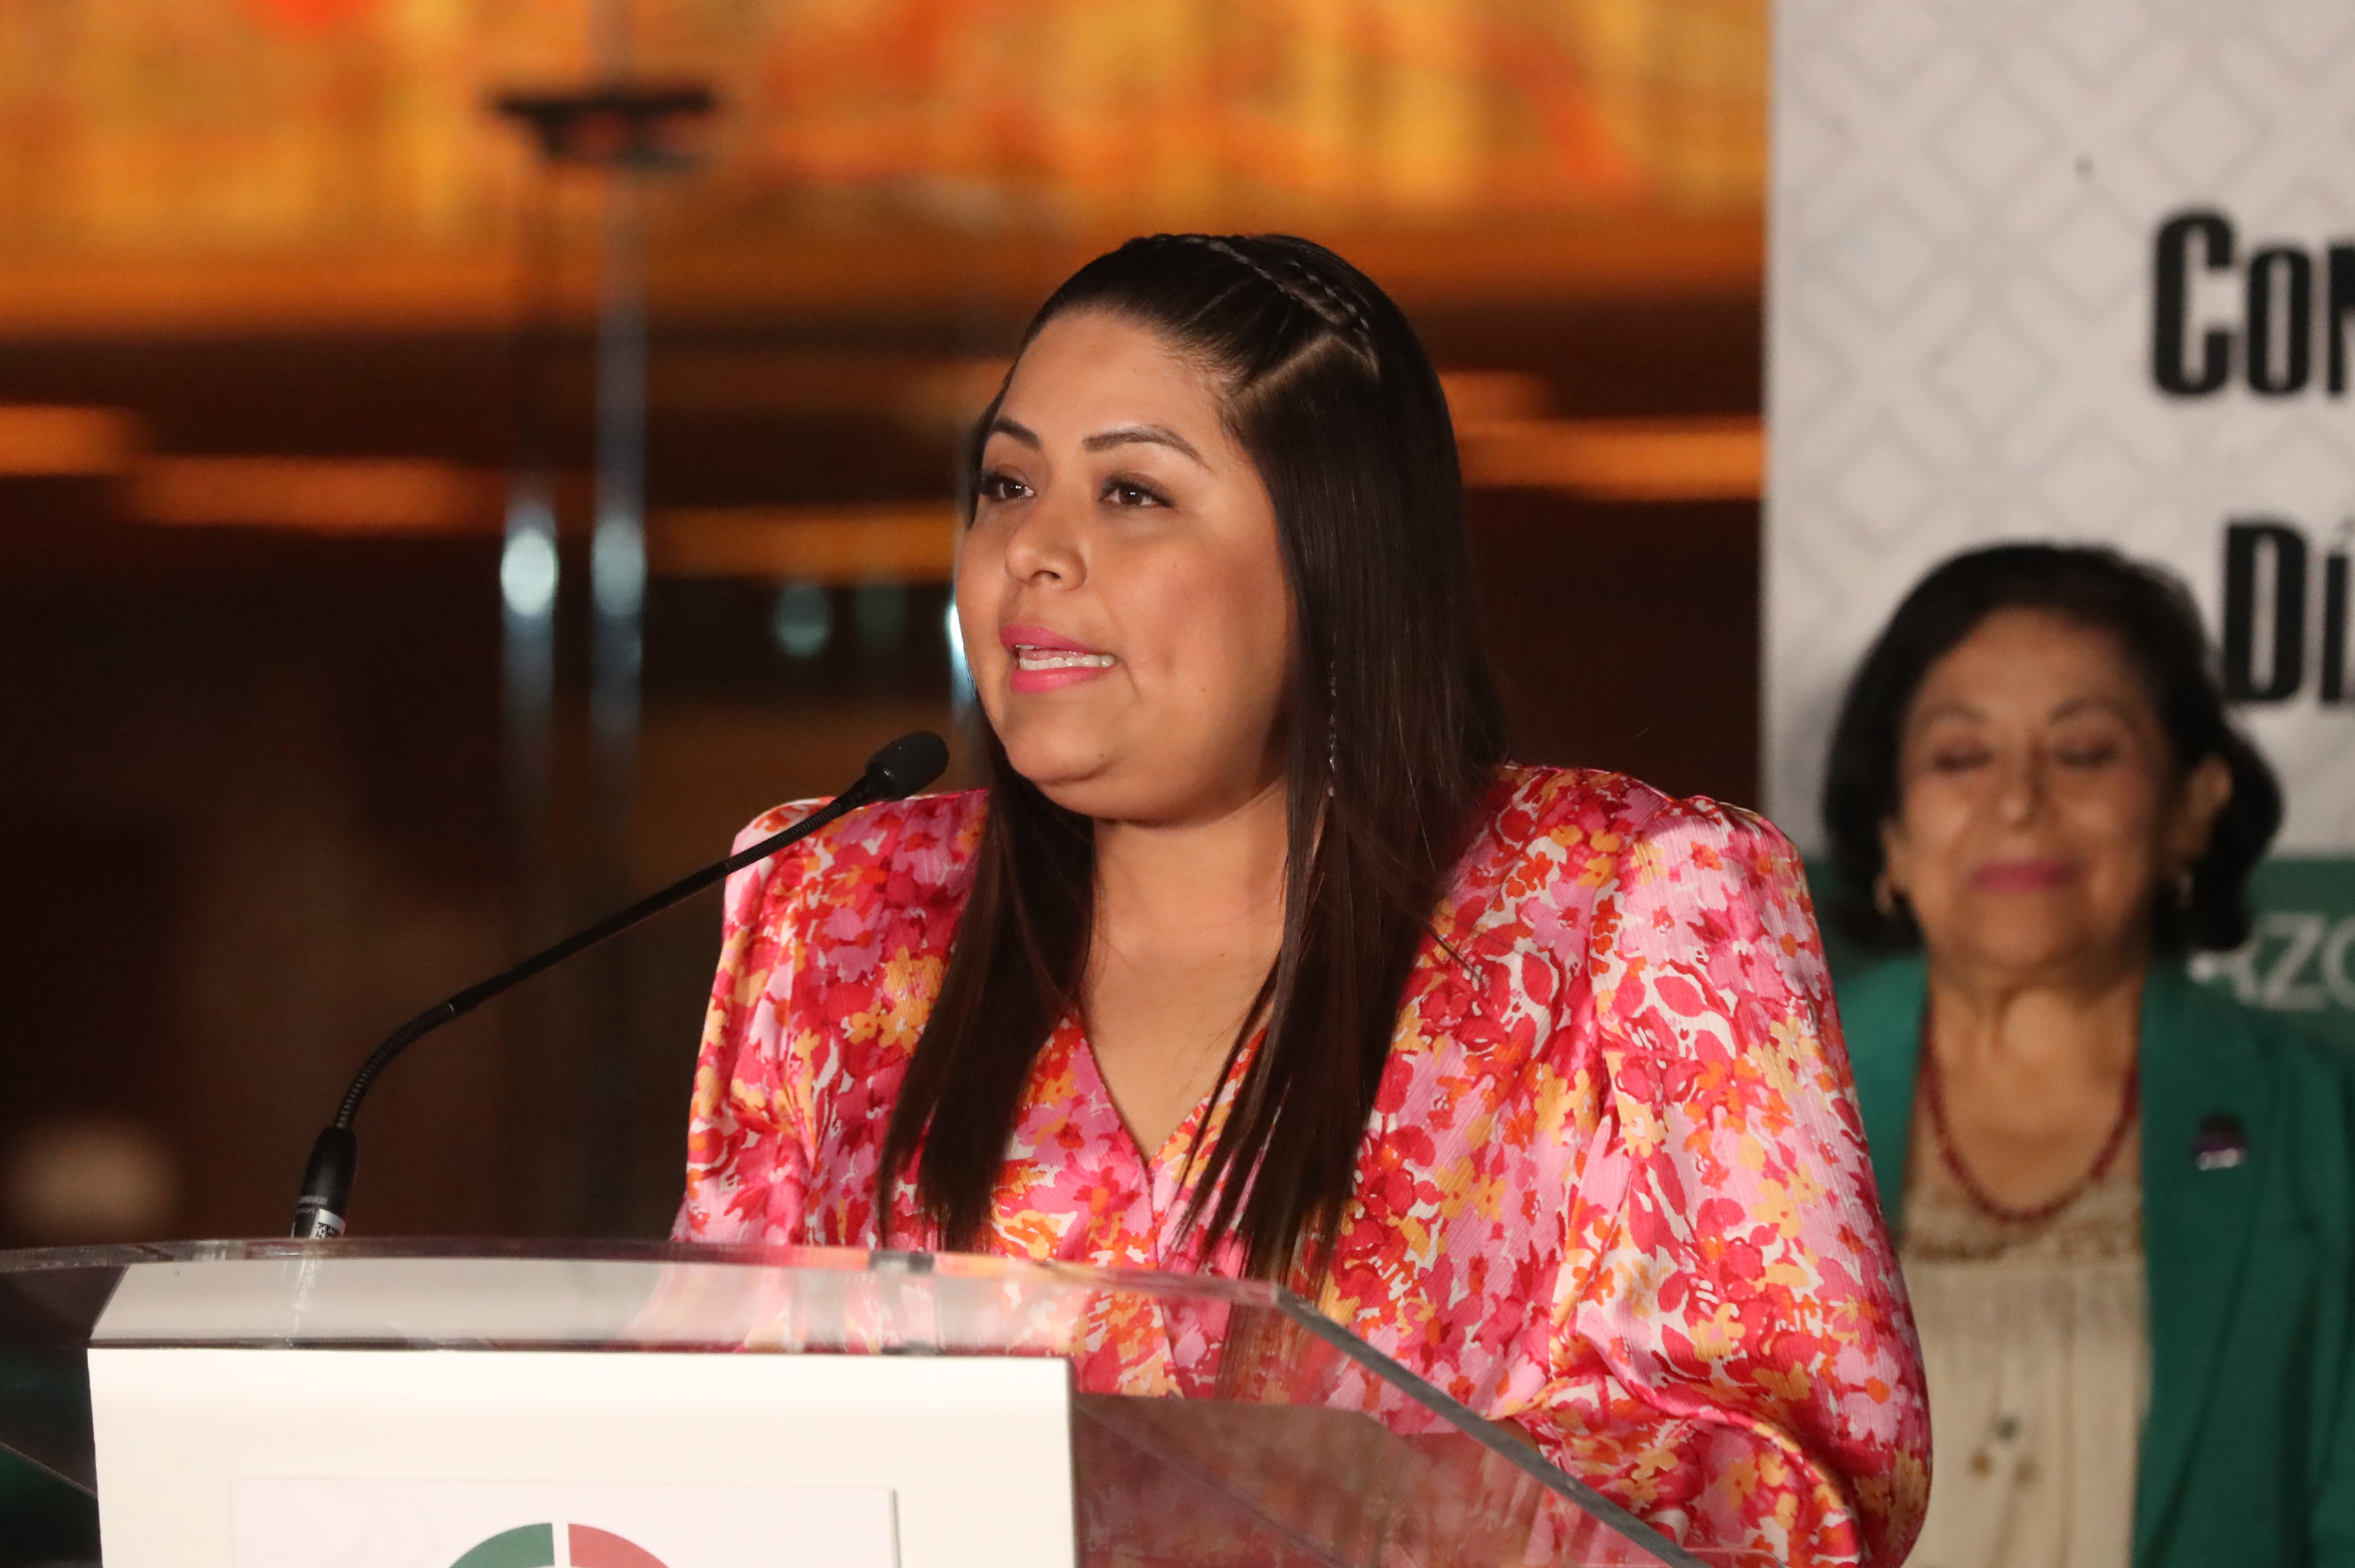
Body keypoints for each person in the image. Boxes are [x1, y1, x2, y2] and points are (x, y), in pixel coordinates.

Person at [675, 232, 1927, 1564]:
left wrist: (1350, 1492)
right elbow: (703, 1433)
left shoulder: (1627, 898)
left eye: (1132, 493)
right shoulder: (843, 907)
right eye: (1007, 482)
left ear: (1334, 554)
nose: (1032, 548)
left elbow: (1803, 1471)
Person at [1821, 543, 2355, 1568]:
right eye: (1960, 757)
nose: (2019, 800)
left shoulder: (2321, 1126)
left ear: (2191, 805)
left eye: (2083, 752)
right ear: (1890, 828)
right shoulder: (1763, 1118)